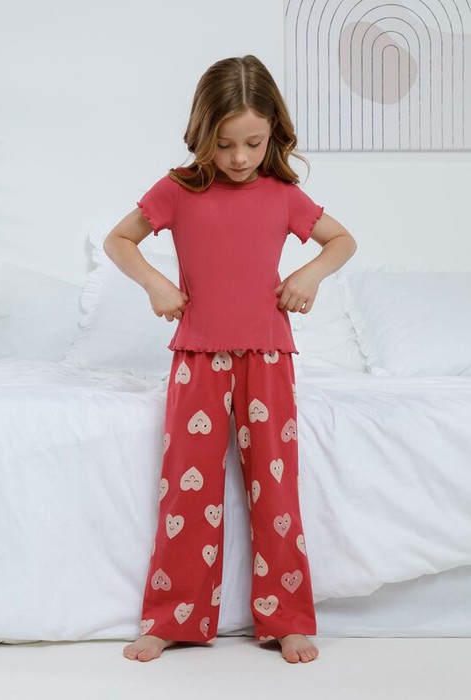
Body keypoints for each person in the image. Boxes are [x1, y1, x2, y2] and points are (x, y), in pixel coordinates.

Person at [103, 54, 357, 664]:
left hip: (267, 357)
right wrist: (156, 285)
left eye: (253, 143)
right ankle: (173, 618)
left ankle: (287, 618)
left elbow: (342, 240)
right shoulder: (177, 189)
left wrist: (309, 275)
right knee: (186, 491)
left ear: (273, 135)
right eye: (224, 144)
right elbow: (119, 239)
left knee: (277, 489)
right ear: (202, 133)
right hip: (196, 356)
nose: (240, 157)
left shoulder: (284, 195)